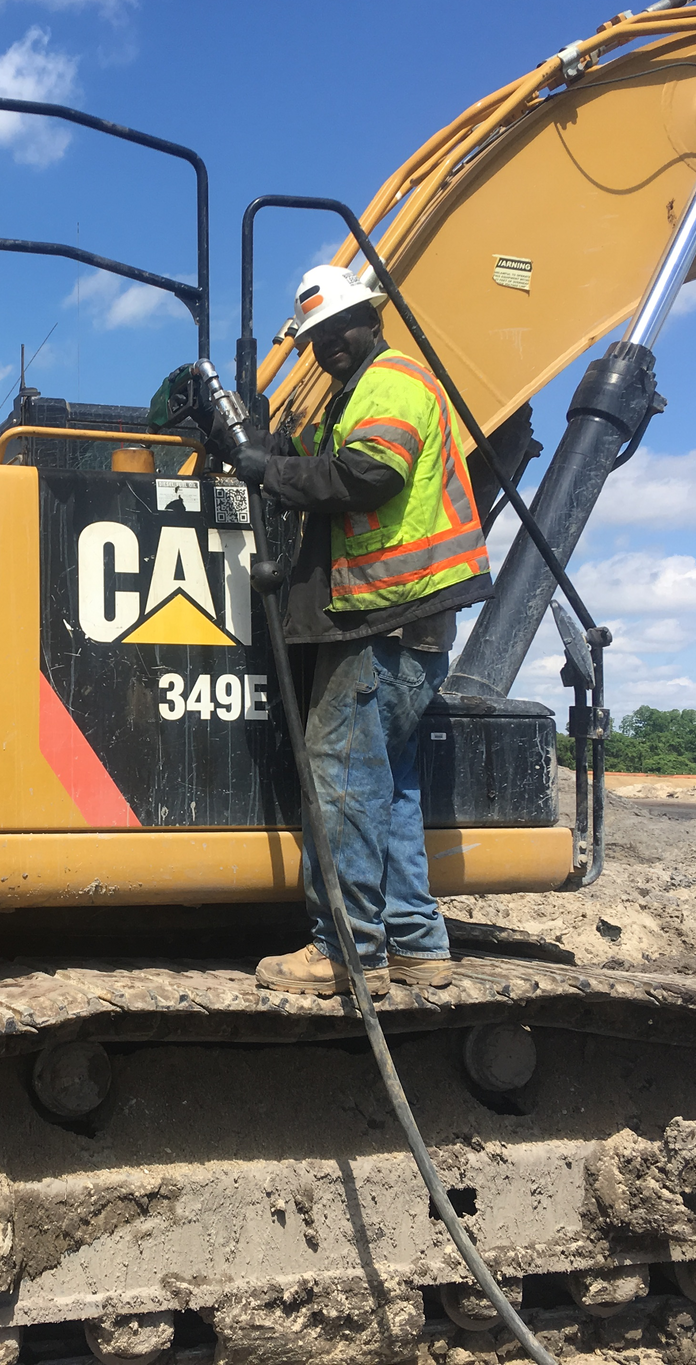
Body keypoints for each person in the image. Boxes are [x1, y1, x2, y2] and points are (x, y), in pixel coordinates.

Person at [215, 264, 494, 994]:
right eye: (318, 336)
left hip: (383, 615)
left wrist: (267, 472)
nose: (330, 342)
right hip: (402, 616)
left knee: (341, 781)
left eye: (341, 326)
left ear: (372, 318)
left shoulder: (392, 382)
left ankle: (346, 951)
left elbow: (368, 475)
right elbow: (329, 461)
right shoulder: (358, 393)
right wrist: (265, 451)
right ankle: (416, 944)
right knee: (387, 787)